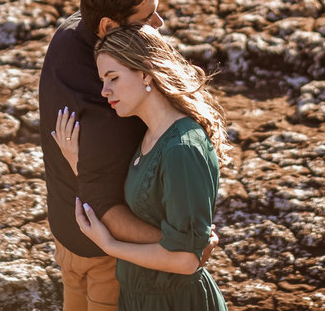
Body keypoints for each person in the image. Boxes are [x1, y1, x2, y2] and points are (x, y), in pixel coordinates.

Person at [52, 24, 231, 311]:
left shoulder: (182, 149)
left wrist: (110, 246)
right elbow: (141, 205)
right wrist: (80, 163)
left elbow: (186, 260)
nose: (104, 91)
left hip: (177, 303)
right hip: (139, 300)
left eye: (113, 78)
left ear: (146, 72)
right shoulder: (150, 134)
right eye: (101, 80)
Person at [39, 0, 167, 311]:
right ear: (109, 25)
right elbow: (107, 207)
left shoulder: (69, 33)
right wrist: (179, 244)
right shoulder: (113, 112)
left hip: (65, 232)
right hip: (104, 253)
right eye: (146, 18)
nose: (160, 23)